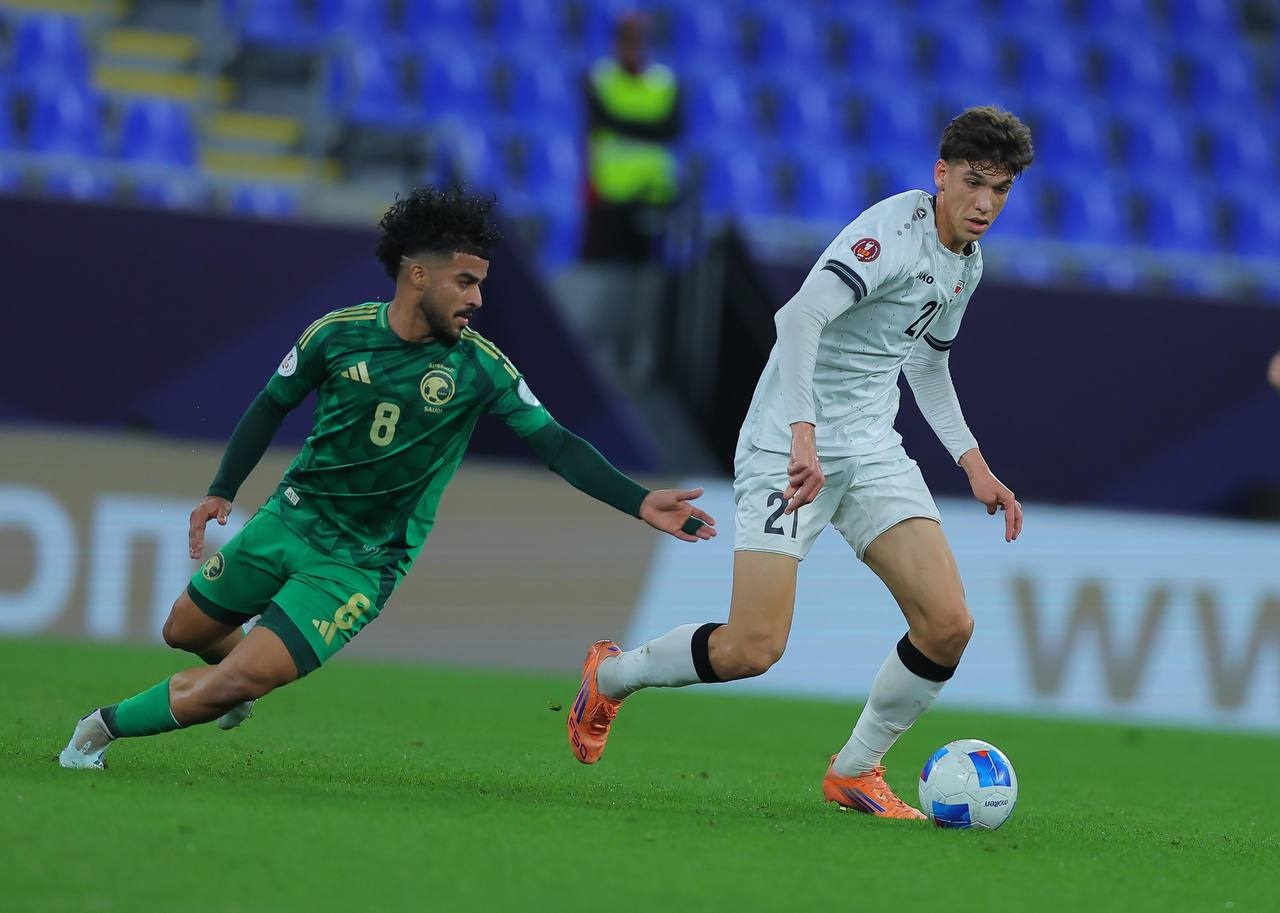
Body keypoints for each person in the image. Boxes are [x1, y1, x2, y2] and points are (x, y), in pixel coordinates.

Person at [59, 185, 716, 770]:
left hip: (360, 562)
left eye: (481, 283)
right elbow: (270, 404)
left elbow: (558, 444)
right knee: (183, 631)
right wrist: (222, 489)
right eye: (465, 281)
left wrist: (638, 500)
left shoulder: (481, 368)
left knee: (237, 679)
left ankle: (96, 730)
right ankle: (229, 684)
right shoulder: (336, 335)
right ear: (418, 275)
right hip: (288, 519)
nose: (478, 299)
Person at [567, 107, 1034, 820]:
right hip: (784, 446)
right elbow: (797, 317)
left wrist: (973, 462)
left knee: (948, 624)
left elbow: (927, 362)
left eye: (1000, 190)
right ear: (941, 175)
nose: (985, 203)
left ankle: (855, 770)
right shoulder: (892, 233)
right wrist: (802, 433)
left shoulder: (965, 262)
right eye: (973, 182)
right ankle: (612, 675)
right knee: (753, 647)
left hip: (870, 448)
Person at [581, 12, 682, 264]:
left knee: (649, 273)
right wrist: (648, 126)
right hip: (609, 194)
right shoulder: (600, 78)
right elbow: (600, 119)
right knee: (604, 269)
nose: (632, 48)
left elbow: (671, 130)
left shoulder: (664, 83)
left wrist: (619, 121)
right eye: (626, 41)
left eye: (638, 41)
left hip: (653, 194)